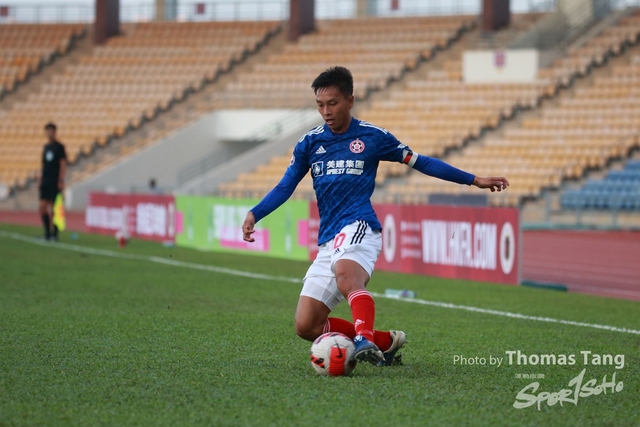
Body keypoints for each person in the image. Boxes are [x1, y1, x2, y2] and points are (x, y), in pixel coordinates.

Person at [241, 66, 509, 366]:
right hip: (329, 238)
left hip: (360, 226)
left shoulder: (373, 137)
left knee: (347, 278)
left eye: (333, 103)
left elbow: (421, 162)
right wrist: (255, 213)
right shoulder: (310, 143)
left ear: (350, 101)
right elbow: (285, 186)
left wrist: (474, 179)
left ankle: (363, 339)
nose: (326, 111)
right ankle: (384, 342)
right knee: (306, 325)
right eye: (320, 105)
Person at [38, 123, 66, 241]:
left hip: (54, 181)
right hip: (45, 181)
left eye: (51, 131)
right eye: (47, 131)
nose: (49, 133)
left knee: (54, 208)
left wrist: (60, 180)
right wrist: (40, 179)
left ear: (55, 132)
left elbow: (63, 164)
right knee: (42, 207)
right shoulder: (46, 147)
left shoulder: (59, 147)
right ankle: (47, 233)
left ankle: (55, 235)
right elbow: (44, 165)